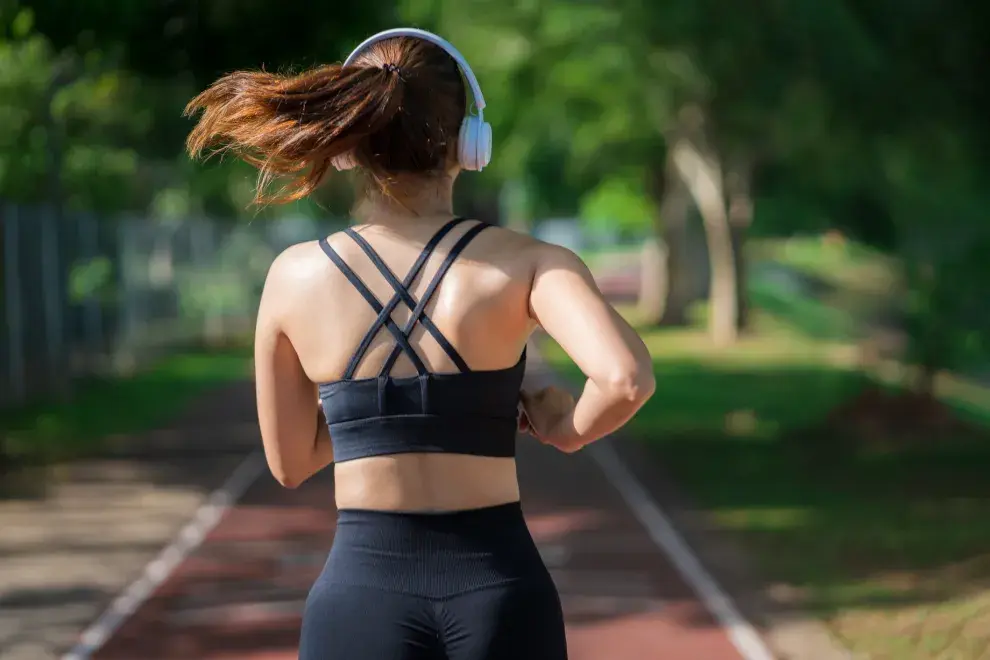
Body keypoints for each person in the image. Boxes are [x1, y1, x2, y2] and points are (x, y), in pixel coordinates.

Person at [184, 27, 655, 660]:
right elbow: (625, 380)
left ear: (349, 146)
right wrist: (566, 425)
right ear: (470, 142)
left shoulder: (292, 277)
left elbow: (291, 463)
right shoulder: (531, 263)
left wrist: (368, 412)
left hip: (360, 599)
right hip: (501, 592)